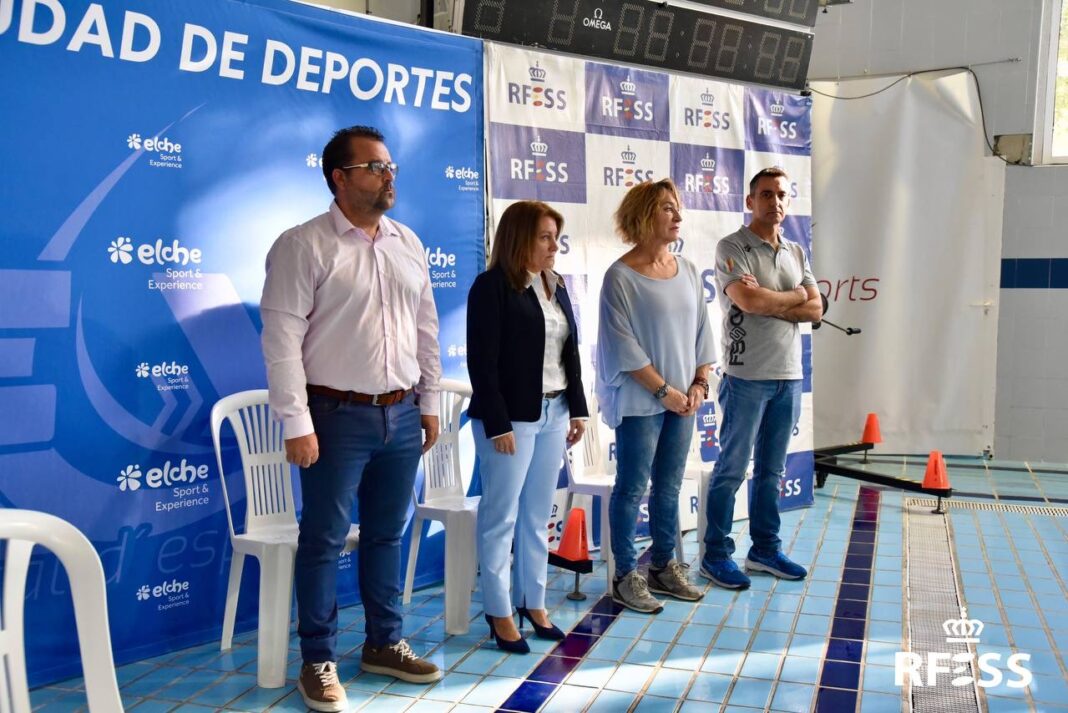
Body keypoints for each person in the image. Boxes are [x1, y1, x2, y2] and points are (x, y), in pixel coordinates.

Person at [261, 125, 443, 712]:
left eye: (390, 166)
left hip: (402, 413)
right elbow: (282, 339)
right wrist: (296, 421)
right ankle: (318, 659)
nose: (388, 176)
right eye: (374, 167)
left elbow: (426, 331)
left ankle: (383, 643)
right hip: (335, 416)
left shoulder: (407, 242)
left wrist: (430, 402)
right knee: (324, 540)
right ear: (339, 177)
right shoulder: (303, 245)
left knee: (388, 535)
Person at [466, 200, 589, 652]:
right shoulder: (491, 286)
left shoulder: (555, 285)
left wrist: (577, 409)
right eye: (545, 237)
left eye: (556, 236)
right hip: (510, 420)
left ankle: (533, 602)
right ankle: (499, 611)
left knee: (538, 517)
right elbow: (483, 361)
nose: (555, 245)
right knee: (501, 517)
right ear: (520, 238)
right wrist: (498, 422)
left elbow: (569, 354)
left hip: (555, 414)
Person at [596, 179, 717, 614]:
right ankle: (625, 575)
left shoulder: (686, 268)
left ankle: (665, 567)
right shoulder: (620, 277)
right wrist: (665, 391)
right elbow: (624, 346)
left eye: (678, 207)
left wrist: (699, 384)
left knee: (667, 487)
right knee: (631, 488)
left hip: (684, 402)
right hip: (642, 402)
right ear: (644, 216)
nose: (678, 216)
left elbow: (704, 332)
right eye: (667, 208)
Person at [700, 167, 822, 591]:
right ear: (750, 201)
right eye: (766, 194)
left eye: (782, 195)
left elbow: (817, 310)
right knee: (731, 469)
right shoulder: (733, 247)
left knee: (771, 472)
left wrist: (776, 302)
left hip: (788, 376)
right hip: (746, 376)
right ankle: (716, 554)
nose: (775, 202)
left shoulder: (796, 251)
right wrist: (793, 299)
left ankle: (764, 550)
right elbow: (748, 300)